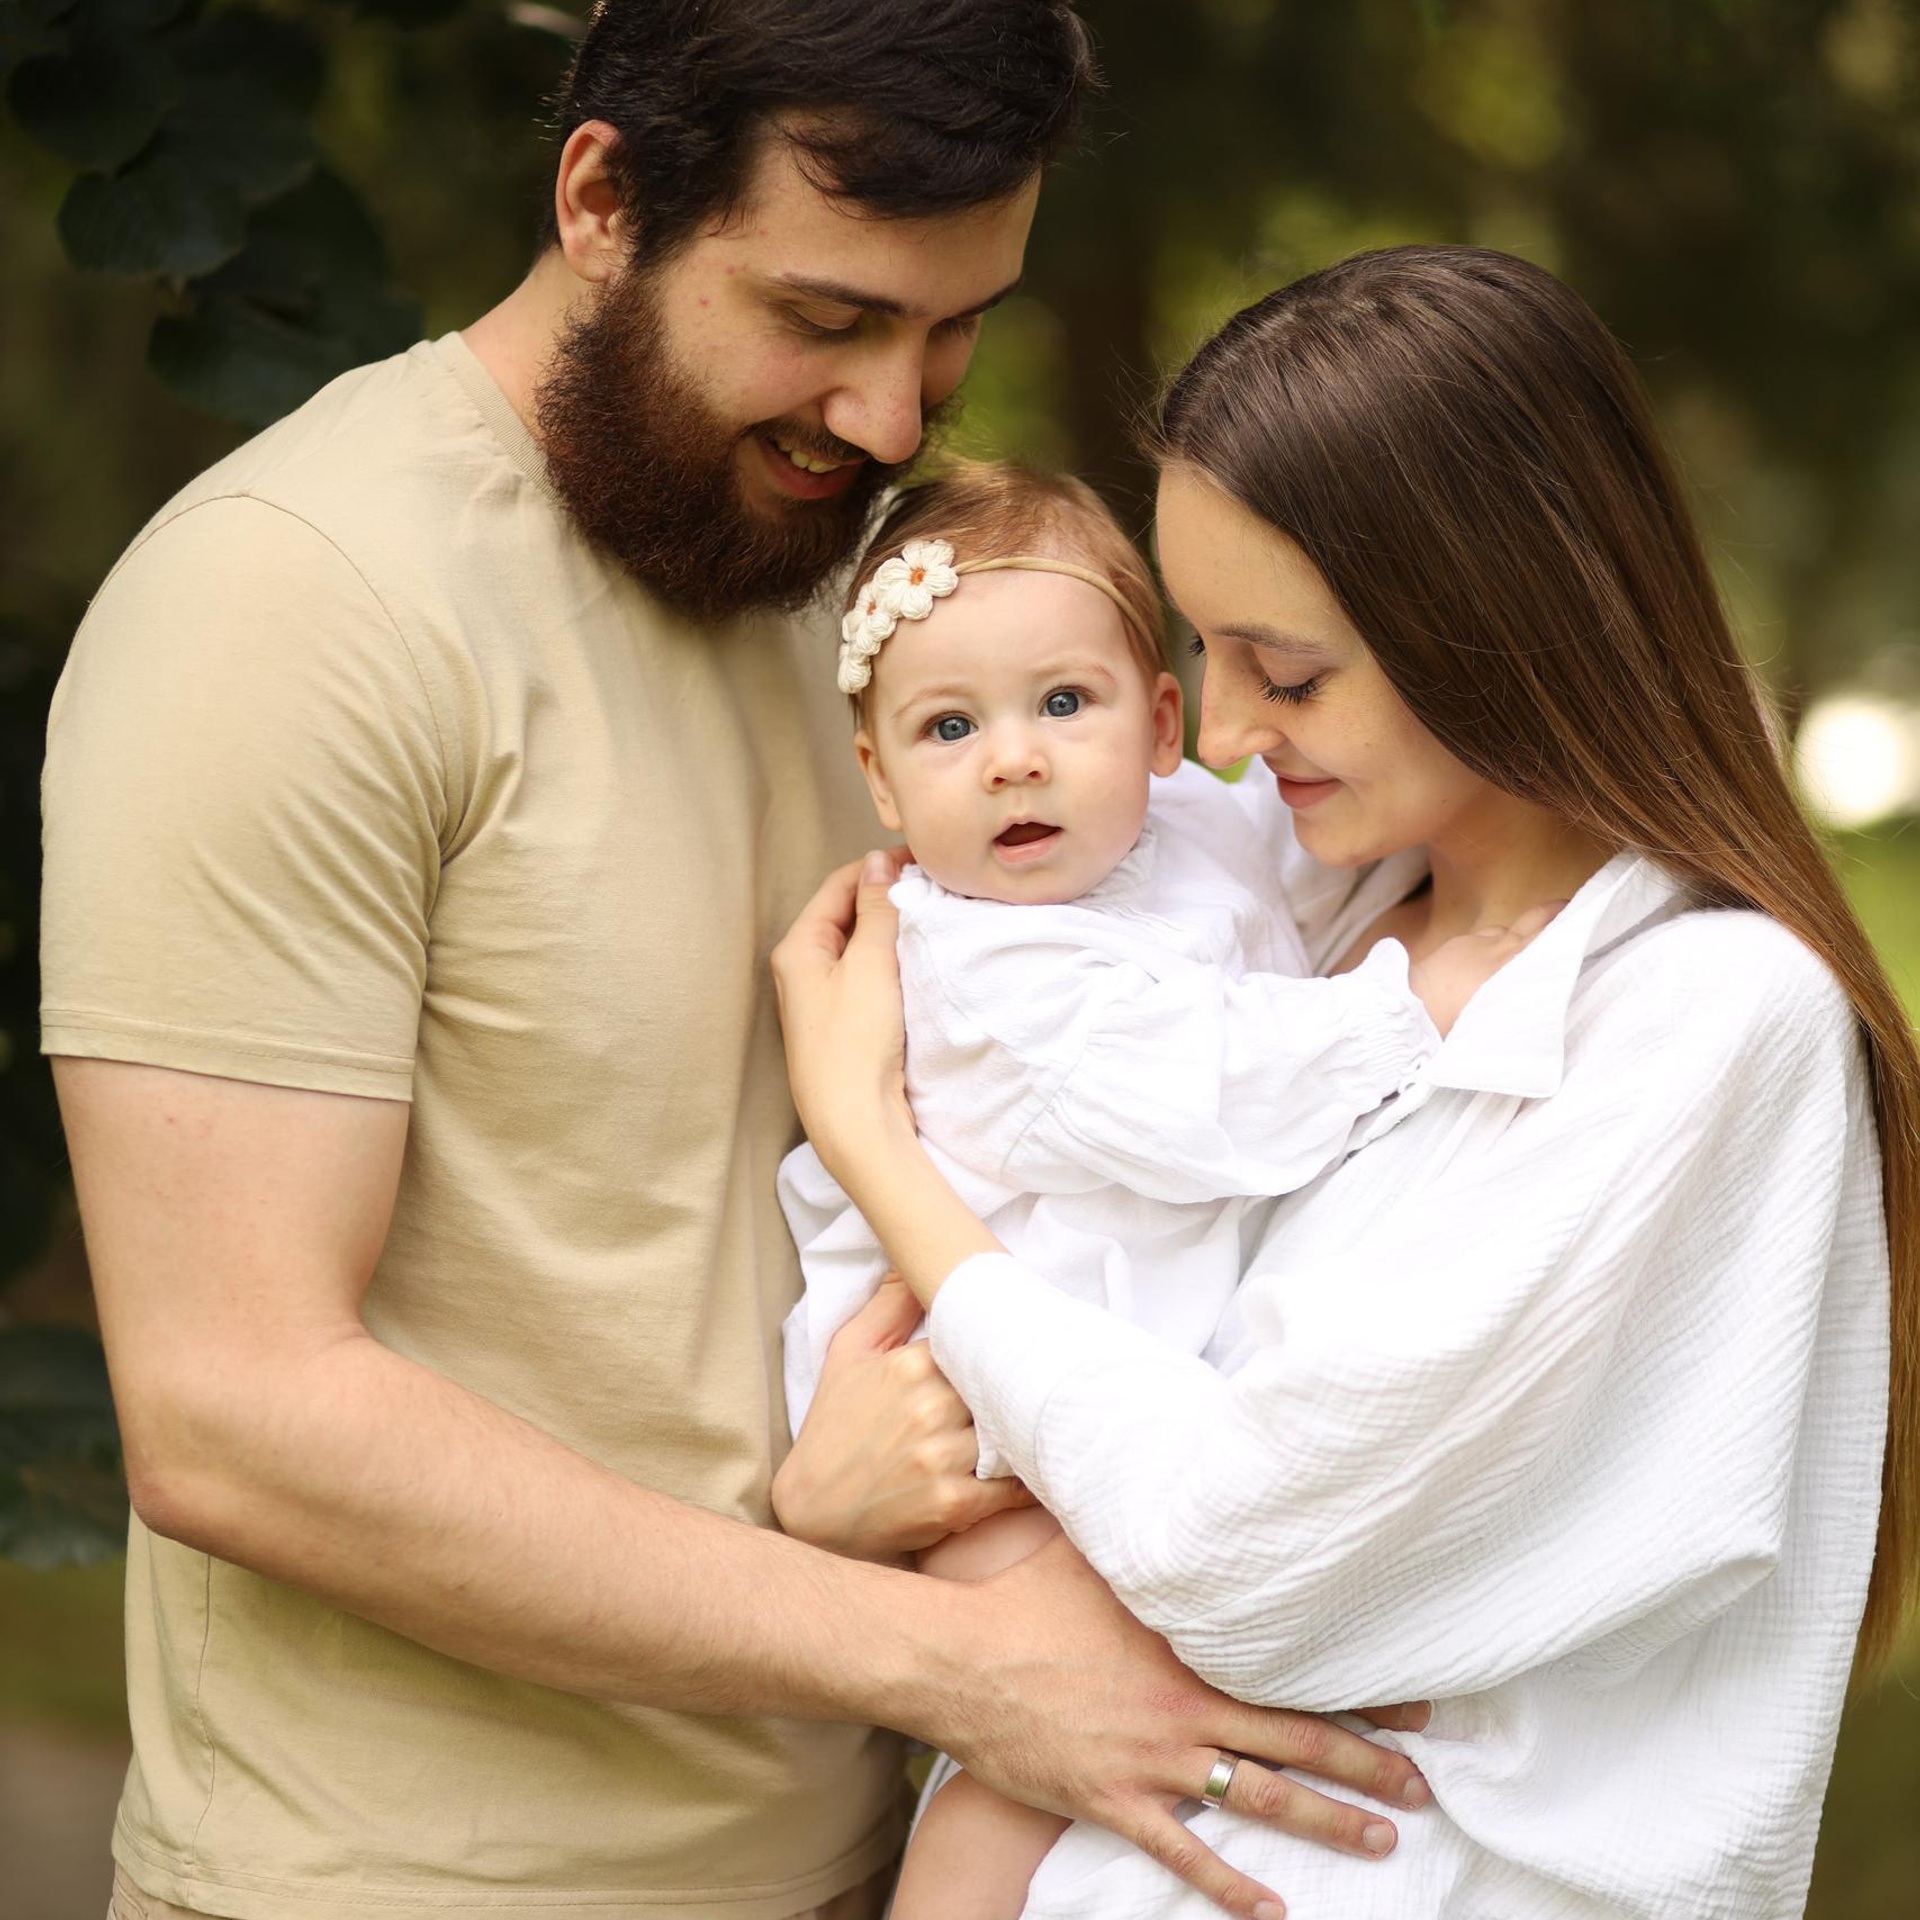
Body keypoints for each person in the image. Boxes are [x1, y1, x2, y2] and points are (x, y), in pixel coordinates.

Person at [38, 11, 1432, 1920]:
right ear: (605, 200)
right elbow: (238, 1416)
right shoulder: (294, 608)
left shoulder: (895, 608)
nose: (888, 418)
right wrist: (965, 1671)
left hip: (889, 1846)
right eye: (829, 315)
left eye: (954, 330)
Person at [770, 243, 1920, 1918]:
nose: (1223, 733)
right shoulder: (1318, 929)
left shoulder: (1707, 1022)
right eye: (1207, 654)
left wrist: (873, 1141)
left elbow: (1242, 1564)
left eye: (1287, 670)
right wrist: (833, 1501)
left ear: (1491, 623)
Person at [778, 460, 1544, 1918]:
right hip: (968, 1419)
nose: (1014, 760)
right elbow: (1206, 1096)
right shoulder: (985, 967)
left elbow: (1304, 882)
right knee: (1029, 1712)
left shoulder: (1187, 827)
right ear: (878, 776)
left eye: (1064, 706)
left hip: (1111, 1364)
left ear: (1165, 726)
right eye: (948, 728)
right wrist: (1421, 1003)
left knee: (1143, 1675)